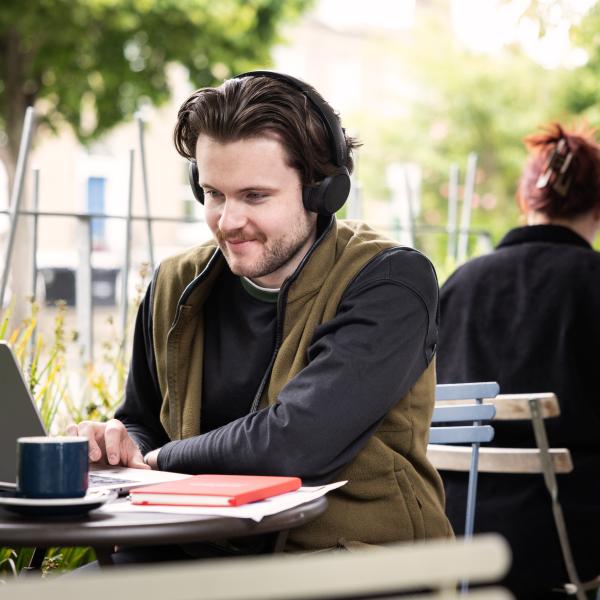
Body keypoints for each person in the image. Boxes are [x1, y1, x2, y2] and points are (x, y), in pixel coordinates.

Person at [69, 71, 451, 558]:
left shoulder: (390, 281)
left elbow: (297, 441)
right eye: (213, 194)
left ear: (321, 192)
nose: (228, 222)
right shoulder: (172, 282)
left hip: (347, 563)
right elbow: (144, 421)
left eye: (254, 196)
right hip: (194, 554)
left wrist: (160, 458)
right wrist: (120, 443)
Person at [437, 123, 600, 598]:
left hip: (455, 525)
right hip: (571, 537)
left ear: (526, 200)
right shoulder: (593, 282)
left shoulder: (460, 284)